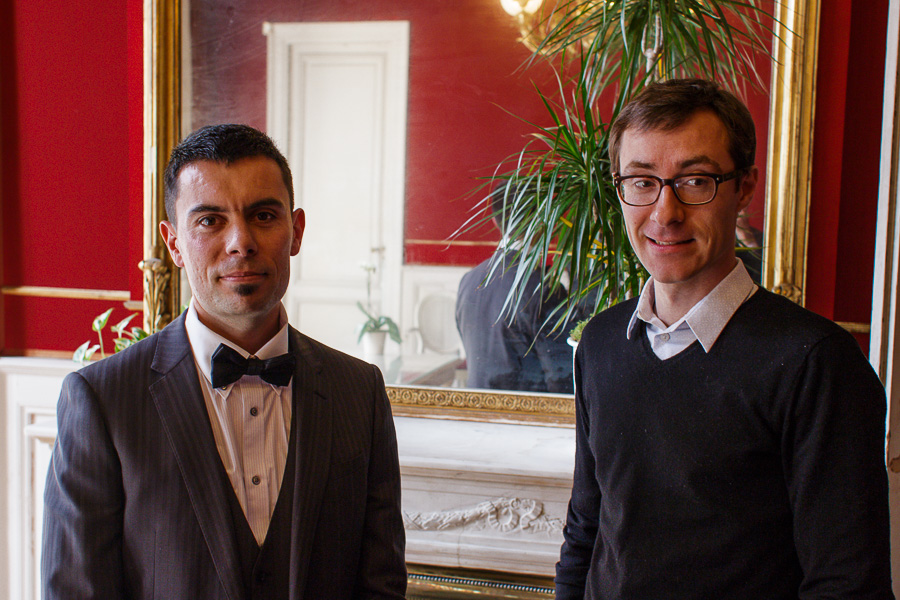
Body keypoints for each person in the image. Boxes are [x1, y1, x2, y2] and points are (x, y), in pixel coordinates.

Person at [555, 79, 893, 599]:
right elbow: (586, 532)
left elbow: (847, 584)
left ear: (745, 188)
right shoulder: (600, 343)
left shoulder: (816, 362)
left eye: (695, 181)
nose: (665, 213)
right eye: (642, 182)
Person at [42, 124, 407, 599]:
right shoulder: (102, 399)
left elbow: (381, 585)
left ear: (296, 231)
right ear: (174, 243)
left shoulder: (359, 391)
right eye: (210, 220)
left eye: (263, 215)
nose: (241, 242)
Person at [456, 184, 577, 393]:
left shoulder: (468, 281)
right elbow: (562, 380)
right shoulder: (544, 288)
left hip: (475, 408)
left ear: (495, 221)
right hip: (528, 412)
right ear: (541, 221)